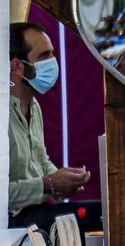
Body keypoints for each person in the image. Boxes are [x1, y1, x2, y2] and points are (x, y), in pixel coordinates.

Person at [7, 22, 92, 233]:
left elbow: (41, 161)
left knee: (104, 214)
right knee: (98, 220)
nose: (53, 62)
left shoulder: (34, 107)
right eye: (44, 56)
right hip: (12, 221)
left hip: (40, 211)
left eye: (52, 54)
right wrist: (50, 184)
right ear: (17, 66)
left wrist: (65, 181)